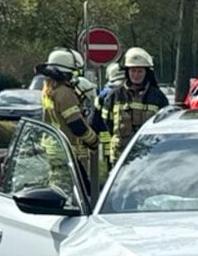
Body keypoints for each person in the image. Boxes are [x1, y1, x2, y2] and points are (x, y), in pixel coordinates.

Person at [34, 47, 99, 180]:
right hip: (67, 151)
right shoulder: (65, 93)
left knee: (56, 185)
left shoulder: (48, 91)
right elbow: (76, 125)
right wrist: (93, 140)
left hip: (52, 149)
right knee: (68, 191)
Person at [98, 46, 169, 163]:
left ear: (147, 73)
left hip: (149, 157)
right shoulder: (115, 95)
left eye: (140, 71)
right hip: (120, 158)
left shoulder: (157, 97)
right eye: (133, 71)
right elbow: (107, 123)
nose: (136, 75)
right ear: (127, 72)